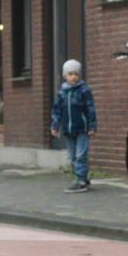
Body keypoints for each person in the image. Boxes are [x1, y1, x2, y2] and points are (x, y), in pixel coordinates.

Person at [50, 58, 95, 193]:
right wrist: (54, 126)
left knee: (80, 155)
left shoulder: (84, 90)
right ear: (65, 76)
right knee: (71, 157)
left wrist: (92, 126)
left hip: (82, 128)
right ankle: (83, 178)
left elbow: (90, 109)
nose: (73, 77)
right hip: (68, 129)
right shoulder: (61, 92)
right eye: (70, 74)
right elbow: (56, 110)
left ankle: (81, 181)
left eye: (76, 74)